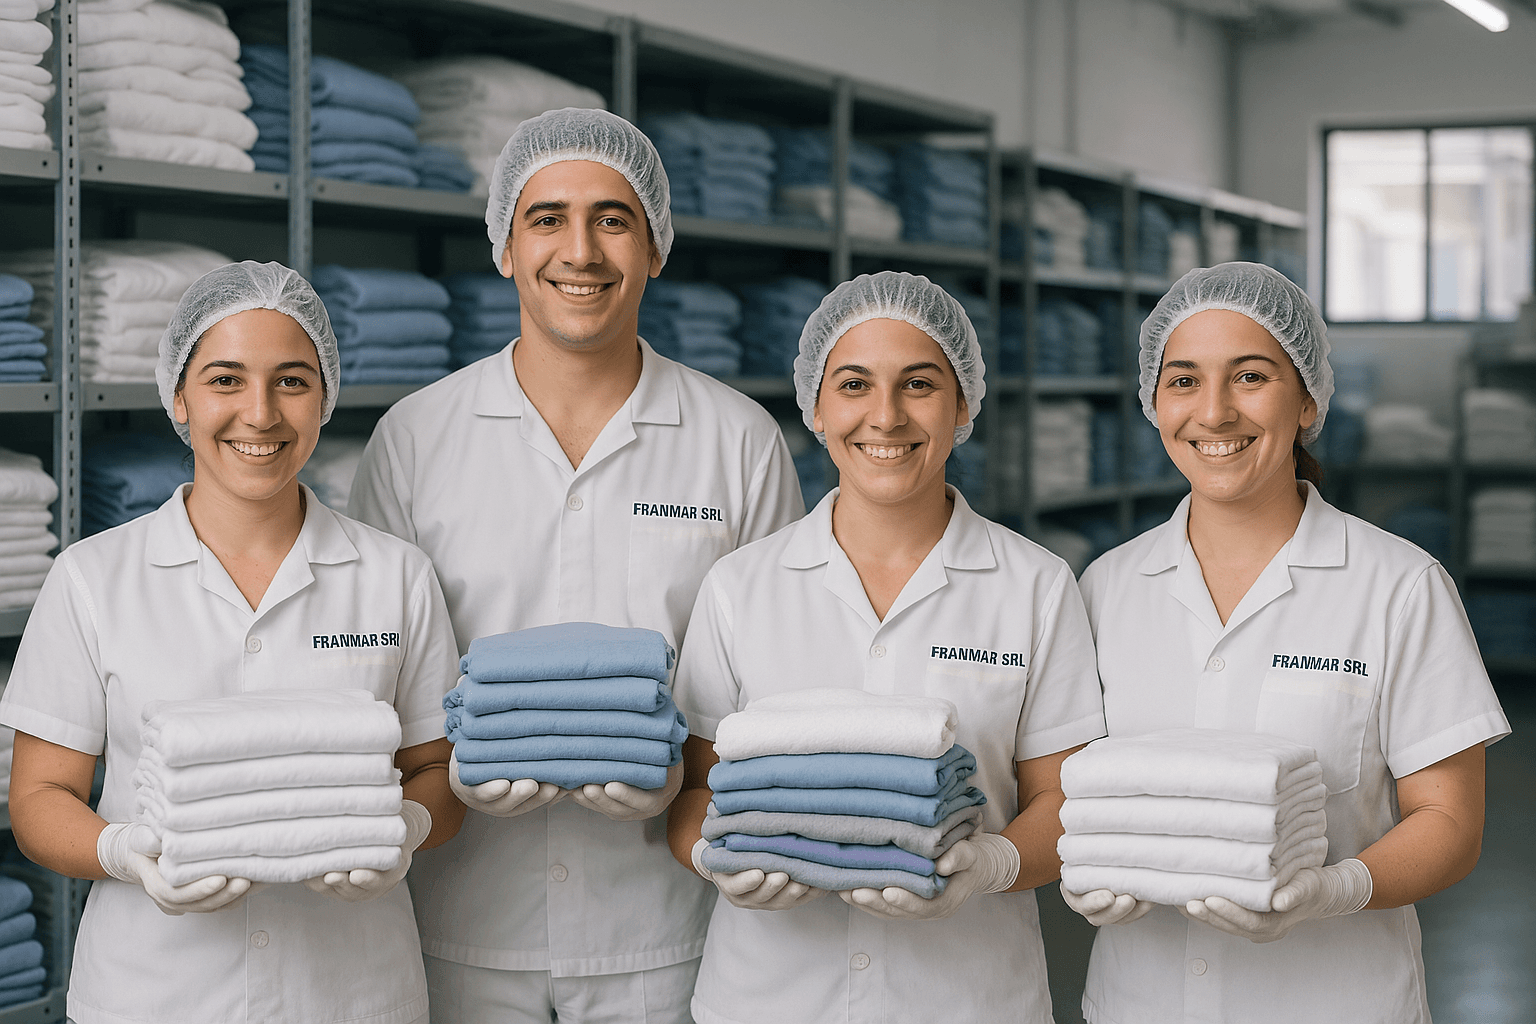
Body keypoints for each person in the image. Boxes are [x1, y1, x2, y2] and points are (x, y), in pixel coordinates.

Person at [348, 107, 804, 1024]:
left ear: (656, 246)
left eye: (614, 217)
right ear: (505, 248)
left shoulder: (738, 443)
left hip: (668, 930)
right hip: (460, 924)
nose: (581, 251)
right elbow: (373, 684)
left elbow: (775, 692)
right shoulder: (415, 439)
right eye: (547, 218)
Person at [0, 262, 463, 1024]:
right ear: (179, 398)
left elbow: (438, 771)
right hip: (153, 994)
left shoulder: (397, 576)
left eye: (291, 381)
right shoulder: (94, 577)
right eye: (224, 379)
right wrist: (125, 851)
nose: (260, 413)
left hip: (352, 994)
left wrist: (402, 832)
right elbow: (39, 798)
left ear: (325, 397)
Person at [1063, 262, 1511, 1023]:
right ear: (1152, 401)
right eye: (1182, 381)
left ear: (1306, 399)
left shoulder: (1398, 584)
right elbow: (1070, 791)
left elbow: (1450, 823)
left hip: (1335, 1000)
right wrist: (1078, 863)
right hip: (1139, 1001)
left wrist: (1334, 890)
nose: (1213, 412)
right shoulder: (1106, 587)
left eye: (1250, 377)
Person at [666, 271, 1107, 1023]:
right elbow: (694, 790)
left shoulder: (1034, 585)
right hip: (769, 998)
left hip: (966, 997)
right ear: (815, 405)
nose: (886, 416)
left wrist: (990, 864)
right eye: (854, 384)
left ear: (964, 402)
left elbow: (1062, 799)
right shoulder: (741, 585)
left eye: (920, 385)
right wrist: (713, 857)